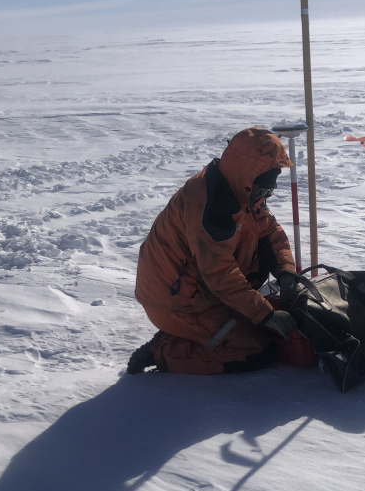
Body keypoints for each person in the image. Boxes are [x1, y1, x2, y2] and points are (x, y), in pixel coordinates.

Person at [126, 127, 301, 375]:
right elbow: (220, 273)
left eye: (267, 191)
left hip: (203, 286)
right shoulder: (211, 205)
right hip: (177, 300)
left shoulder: (242, 189)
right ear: (247, 175)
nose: (264, 196)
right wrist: (265, 315)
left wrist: (286, 272)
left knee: (258, 311)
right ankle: (163, 349)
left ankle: (206, 327)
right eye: (261, 190)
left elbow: (271, 233)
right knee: (254, 350)